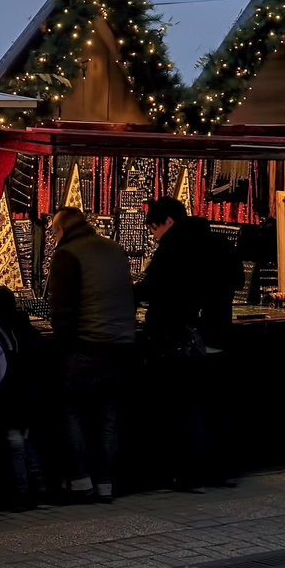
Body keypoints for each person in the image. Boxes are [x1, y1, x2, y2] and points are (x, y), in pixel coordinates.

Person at [134, 199, 240, 492]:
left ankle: (190, 476)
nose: (154, 235)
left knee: (184, 406)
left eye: (154, 228)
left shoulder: (172, 247)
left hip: (179, 338)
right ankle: (221, 471)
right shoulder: (218, 242)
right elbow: (238, 280)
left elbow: (152, 287)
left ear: (167, 221)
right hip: (217, 334)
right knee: (215, 405)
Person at [46, 207, 137, 503]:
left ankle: (80, 479)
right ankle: (106, 483)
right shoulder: (114, 250)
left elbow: (62, 310)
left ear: (60, 230)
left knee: (67, 406)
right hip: (122, 343)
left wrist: (61, 347)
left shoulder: (68, 254)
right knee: (107, 413)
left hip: (88, 343)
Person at [0, 287, 47, 509]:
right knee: (26, 442)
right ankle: (39, 488)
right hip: (27, 394)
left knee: (15, 445)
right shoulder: (23, 327)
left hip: (8, 395)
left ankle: (21, 493)